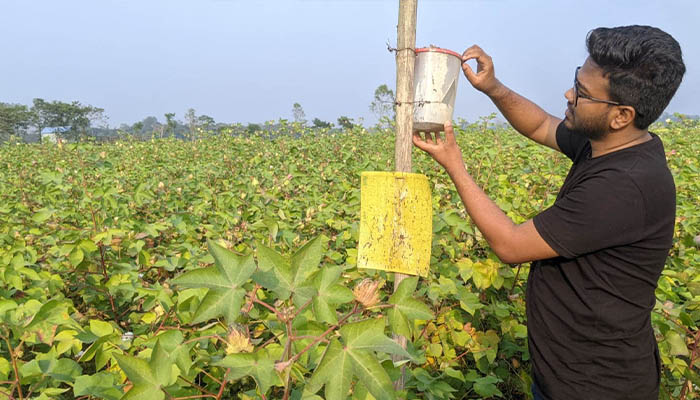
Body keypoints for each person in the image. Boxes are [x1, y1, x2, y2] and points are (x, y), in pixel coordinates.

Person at [412, 25, 685, 400]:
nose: (569, 94)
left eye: (584, 93)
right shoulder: (612, 143)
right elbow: (542, 126)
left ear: (621, 115)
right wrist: (494, 87)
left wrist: (454, 164)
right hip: (569, 373)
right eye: (577, 79)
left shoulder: (624, 186)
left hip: (597, 387)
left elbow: (509, 245)